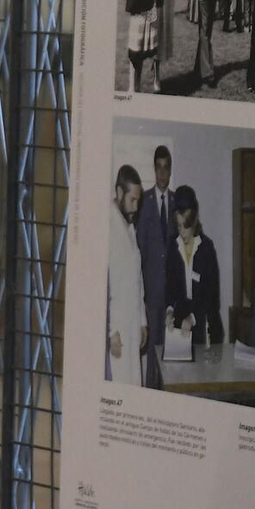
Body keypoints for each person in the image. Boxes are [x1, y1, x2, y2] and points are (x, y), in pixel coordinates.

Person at [133, 145, 177, 388]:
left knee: (169, 352)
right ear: (154, 169)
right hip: (150, 293)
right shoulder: (145, 202)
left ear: (170, 170)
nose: (162, 173)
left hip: (170, 294)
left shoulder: (176, 201)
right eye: (158, 167)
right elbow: (138, 251)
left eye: (166, 168)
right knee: (151, 352)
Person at [161, 185, 223, 348]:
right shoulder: (173, 247)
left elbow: (212, 297)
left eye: (186, 226)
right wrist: (169, 310)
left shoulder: (207, 248)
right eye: (179, 226)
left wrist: (193, 317)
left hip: (205, 324)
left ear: (194, 221)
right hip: (181, 327)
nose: (182, 232)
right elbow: (171, 288)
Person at [107, 164, 147, 386]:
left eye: (138, 200)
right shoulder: (107, 226)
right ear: (120, 192)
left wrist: (142, 321)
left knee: (134, 385)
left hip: (133, 324)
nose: (136, 206)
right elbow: (103, 287)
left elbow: (137, 279)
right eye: (132, 200)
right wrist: (110, 331)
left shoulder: (130, 227)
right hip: (118, 330)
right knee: (119, 390)